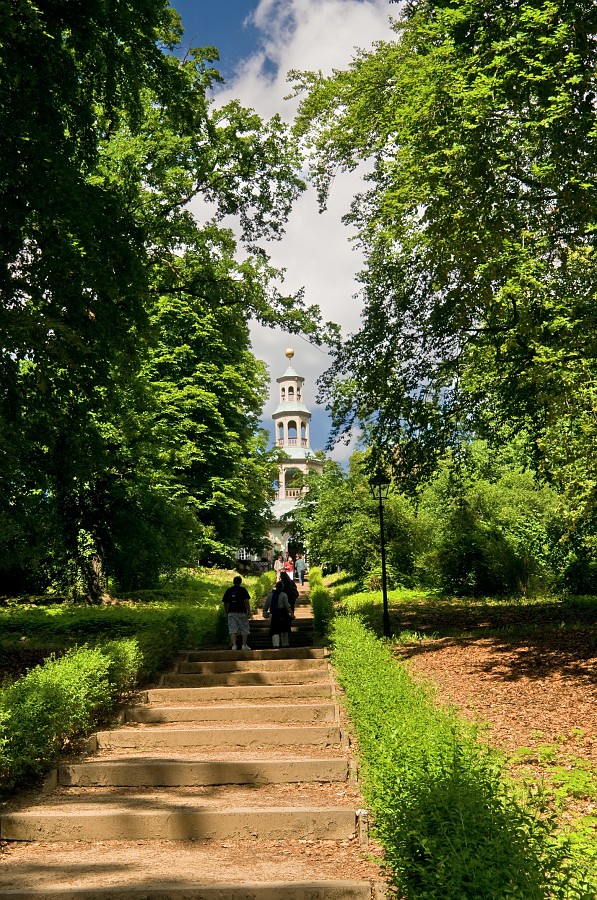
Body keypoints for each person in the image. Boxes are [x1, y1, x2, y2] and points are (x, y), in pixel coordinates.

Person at [222, 575, 251, 651]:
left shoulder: (229, 590)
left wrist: (227, 612)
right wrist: (249, 611)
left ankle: (234, 646)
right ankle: (244, 645)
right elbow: (246, 601)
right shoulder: (243, 590)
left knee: (232, 629)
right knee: (244, 628)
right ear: (240, 582)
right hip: (242, 612)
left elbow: (225, 602)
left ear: (233, 582)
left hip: (231, 612)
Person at [263, 579, 293, 648]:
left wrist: (265, 613)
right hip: (282, 614)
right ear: (282, 587)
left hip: (273, 614)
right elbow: (287, 605)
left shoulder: (270, 595)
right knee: (284, 630)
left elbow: (266, 606)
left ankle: (276, 645)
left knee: (274, 630)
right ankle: (285, 644)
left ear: (276, 587)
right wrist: (291, 613)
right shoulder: (283, 595)